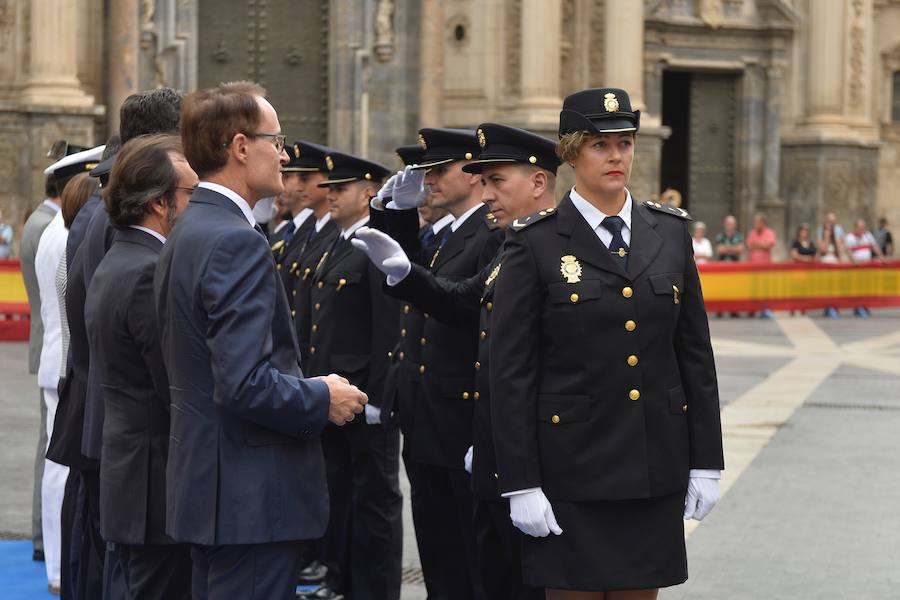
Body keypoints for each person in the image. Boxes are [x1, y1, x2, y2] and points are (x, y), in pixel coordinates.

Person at [486, 88, 723, 599]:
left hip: (652, 468)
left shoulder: (669, 232)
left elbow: (694, 355)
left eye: (625, 142)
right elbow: (510, 371)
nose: (617, 156)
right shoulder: (536, 240)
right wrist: (520, 481)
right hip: (571, 473)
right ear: (571, 152)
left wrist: (707, 459)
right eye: (600, 144)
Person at [154, 80, 367, 599]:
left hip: (212, 486)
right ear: (241, 147)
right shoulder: (234, 240)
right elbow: (243, 383)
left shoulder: (190, 226)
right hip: (247, 495)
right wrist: (323, 396)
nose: (286, 153)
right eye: (277, 140)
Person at [353, 122, 560, 599]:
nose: (488, 193)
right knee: (451, 563)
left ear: (536, 181)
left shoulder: (504, 236)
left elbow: (459, 303)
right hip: (437, 419)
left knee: (483, 570)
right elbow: (425, 285)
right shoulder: (490, 233)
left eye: (495, 180)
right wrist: (396, 220)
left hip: (473, 423)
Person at [49, 89, 183, 600]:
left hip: (102, 418)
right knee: (112, 571)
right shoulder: (119, 223)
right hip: (121, 427)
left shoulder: (100, 213)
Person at [382, 128, 502, 599]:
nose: (429, 180)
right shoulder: (448, 233)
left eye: (440, 170)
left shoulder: (489, 234)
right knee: (437, 549)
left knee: (467, 557)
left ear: (473, 175)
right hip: (426, 413)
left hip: (459, 416)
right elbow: (405, 270)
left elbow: (453, 302)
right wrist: (395, 214)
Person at [85, 134, 197, 600]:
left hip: (133, 473)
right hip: (154, 481)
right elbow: (174, 384)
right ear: (158, 203)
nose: (199, 203)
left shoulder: (121, 258)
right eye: (191, 193)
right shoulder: (149, 269)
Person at [300, 151, 402, 600]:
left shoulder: (374, 243)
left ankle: (374, 590)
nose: (331, 196)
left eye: (340, 189)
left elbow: (388, 327)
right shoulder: (341, 241)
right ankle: (343, 581)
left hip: (364, 398)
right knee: (342, 494)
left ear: (368, 193)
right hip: (334, 396)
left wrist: (380, 396)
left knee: (373, 503)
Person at [35, 165, 100, 595]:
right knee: (62, 469)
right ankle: (60, 567)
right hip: (64, 364)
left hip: (56, 359)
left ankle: (60, 563)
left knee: (59, 466)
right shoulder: (62, 238)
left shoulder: (56, 233)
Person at [20, 170, 63, 565]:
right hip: (53, 344)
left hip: (47, 345)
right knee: (49, 449)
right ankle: (42, 537)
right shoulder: (46, 225)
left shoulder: (40, 223)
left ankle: (44, 537)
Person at [845, 218, 883, 317]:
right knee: (857, 288)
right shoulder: (850, 237)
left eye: (863, 227)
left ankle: (865, 306)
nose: (862, 230)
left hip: (867, 267)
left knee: (866, 288)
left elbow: (874, 247)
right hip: (856, 268)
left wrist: (881, 258)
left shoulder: (868, 235)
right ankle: (858, 307)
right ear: (855, 227)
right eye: (860, 228)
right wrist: (854, 262)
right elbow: (849, 252)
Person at [746, 212, 776, 318]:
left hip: (765, 266)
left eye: (758, 222)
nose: (756, 224)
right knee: (753, 288)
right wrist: (761, 245)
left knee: (765, 288)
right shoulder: (751, 233)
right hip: (753, 265)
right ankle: (752, 309)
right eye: (755, 222)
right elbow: (749, 246)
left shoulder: (769, 232)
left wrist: (757, 245)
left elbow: (769, 245)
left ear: (763, 222)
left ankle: (765, 308)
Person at [818, 220, 844, 318]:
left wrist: (835, 240)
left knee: (834, 288)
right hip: (825, 265)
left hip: (834, 265)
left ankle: (835, 307)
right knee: (826, 288)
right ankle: (827, 307)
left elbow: (839, 252)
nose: (828, 231)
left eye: (830, 229)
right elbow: (823, 250)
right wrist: (827, 238)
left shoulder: (835, 240)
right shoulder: (821, 240)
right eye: (826, 229)